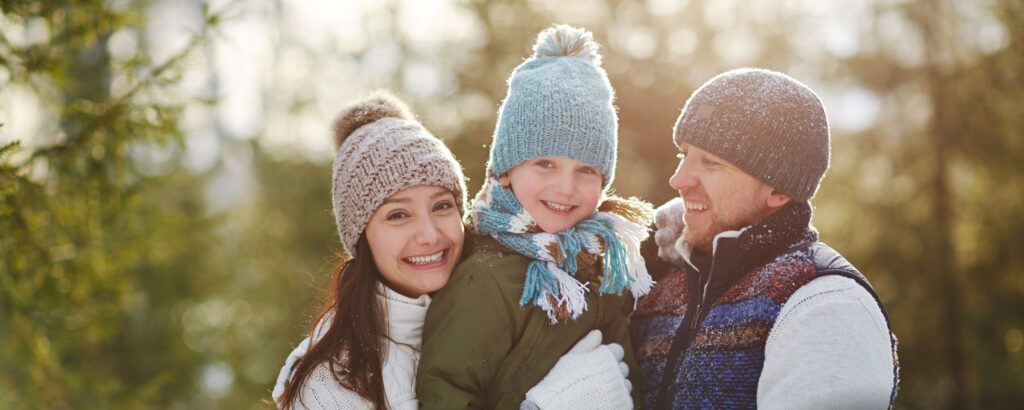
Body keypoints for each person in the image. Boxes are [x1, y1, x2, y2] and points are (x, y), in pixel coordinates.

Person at [271, 91, 631, 409]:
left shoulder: (505, 303)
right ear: (361, 236)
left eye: (442, 206)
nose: (429, 235)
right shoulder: (332, 383)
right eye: (398, 215)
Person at [631, 68, 900, 409]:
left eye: (711, 163)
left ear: (778, 191)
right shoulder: (657, 280)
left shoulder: (824, 307)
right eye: (684, 155)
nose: (678, 179)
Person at [416, 25, 653, 409]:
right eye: (545, 164)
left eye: (586, 170)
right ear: (506, 170)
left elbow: (628, 387)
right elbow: (445, 391)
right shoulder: (486, 278)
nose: (565, 187)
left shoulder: (603, 272)